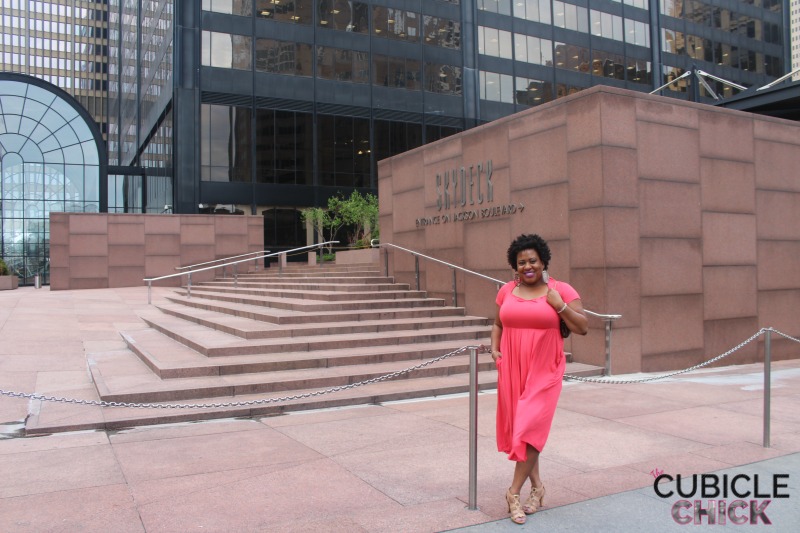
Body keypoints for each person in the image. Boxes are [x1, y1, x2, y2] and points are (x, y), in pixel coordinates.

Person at [490, 233, 588, 525]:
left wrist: (559, 305)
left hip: (545, 369)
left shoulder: (561, 290)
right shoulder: (506, 290)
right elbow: (497, 323)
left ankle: (513, 493)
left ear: (543, 261)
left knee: (530, 427)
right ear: (514, 266)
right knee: (520, 430)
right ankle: (538, 488)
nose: (527, 266)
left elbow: (582, 327)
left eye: (532, 260)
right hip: (512, 366)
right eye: (521, 262)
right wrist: (496, 350)